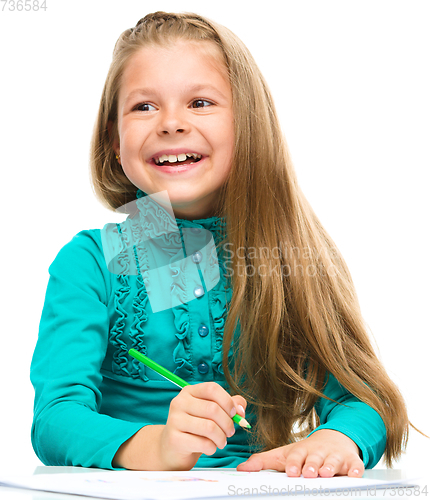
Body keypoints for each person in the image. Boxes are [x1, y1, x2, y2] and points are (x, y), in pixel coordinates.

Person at [31, 11, 414, 476]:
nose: (171, 123)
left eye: (200, 102)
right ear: (114, 138)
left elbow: (364, 399)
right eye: (144, 107)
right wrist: (160, 447)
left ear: (247, 126)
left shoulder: (288, 259)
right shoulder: (88, 263)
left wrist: (336, 439)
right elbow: (56, 420)